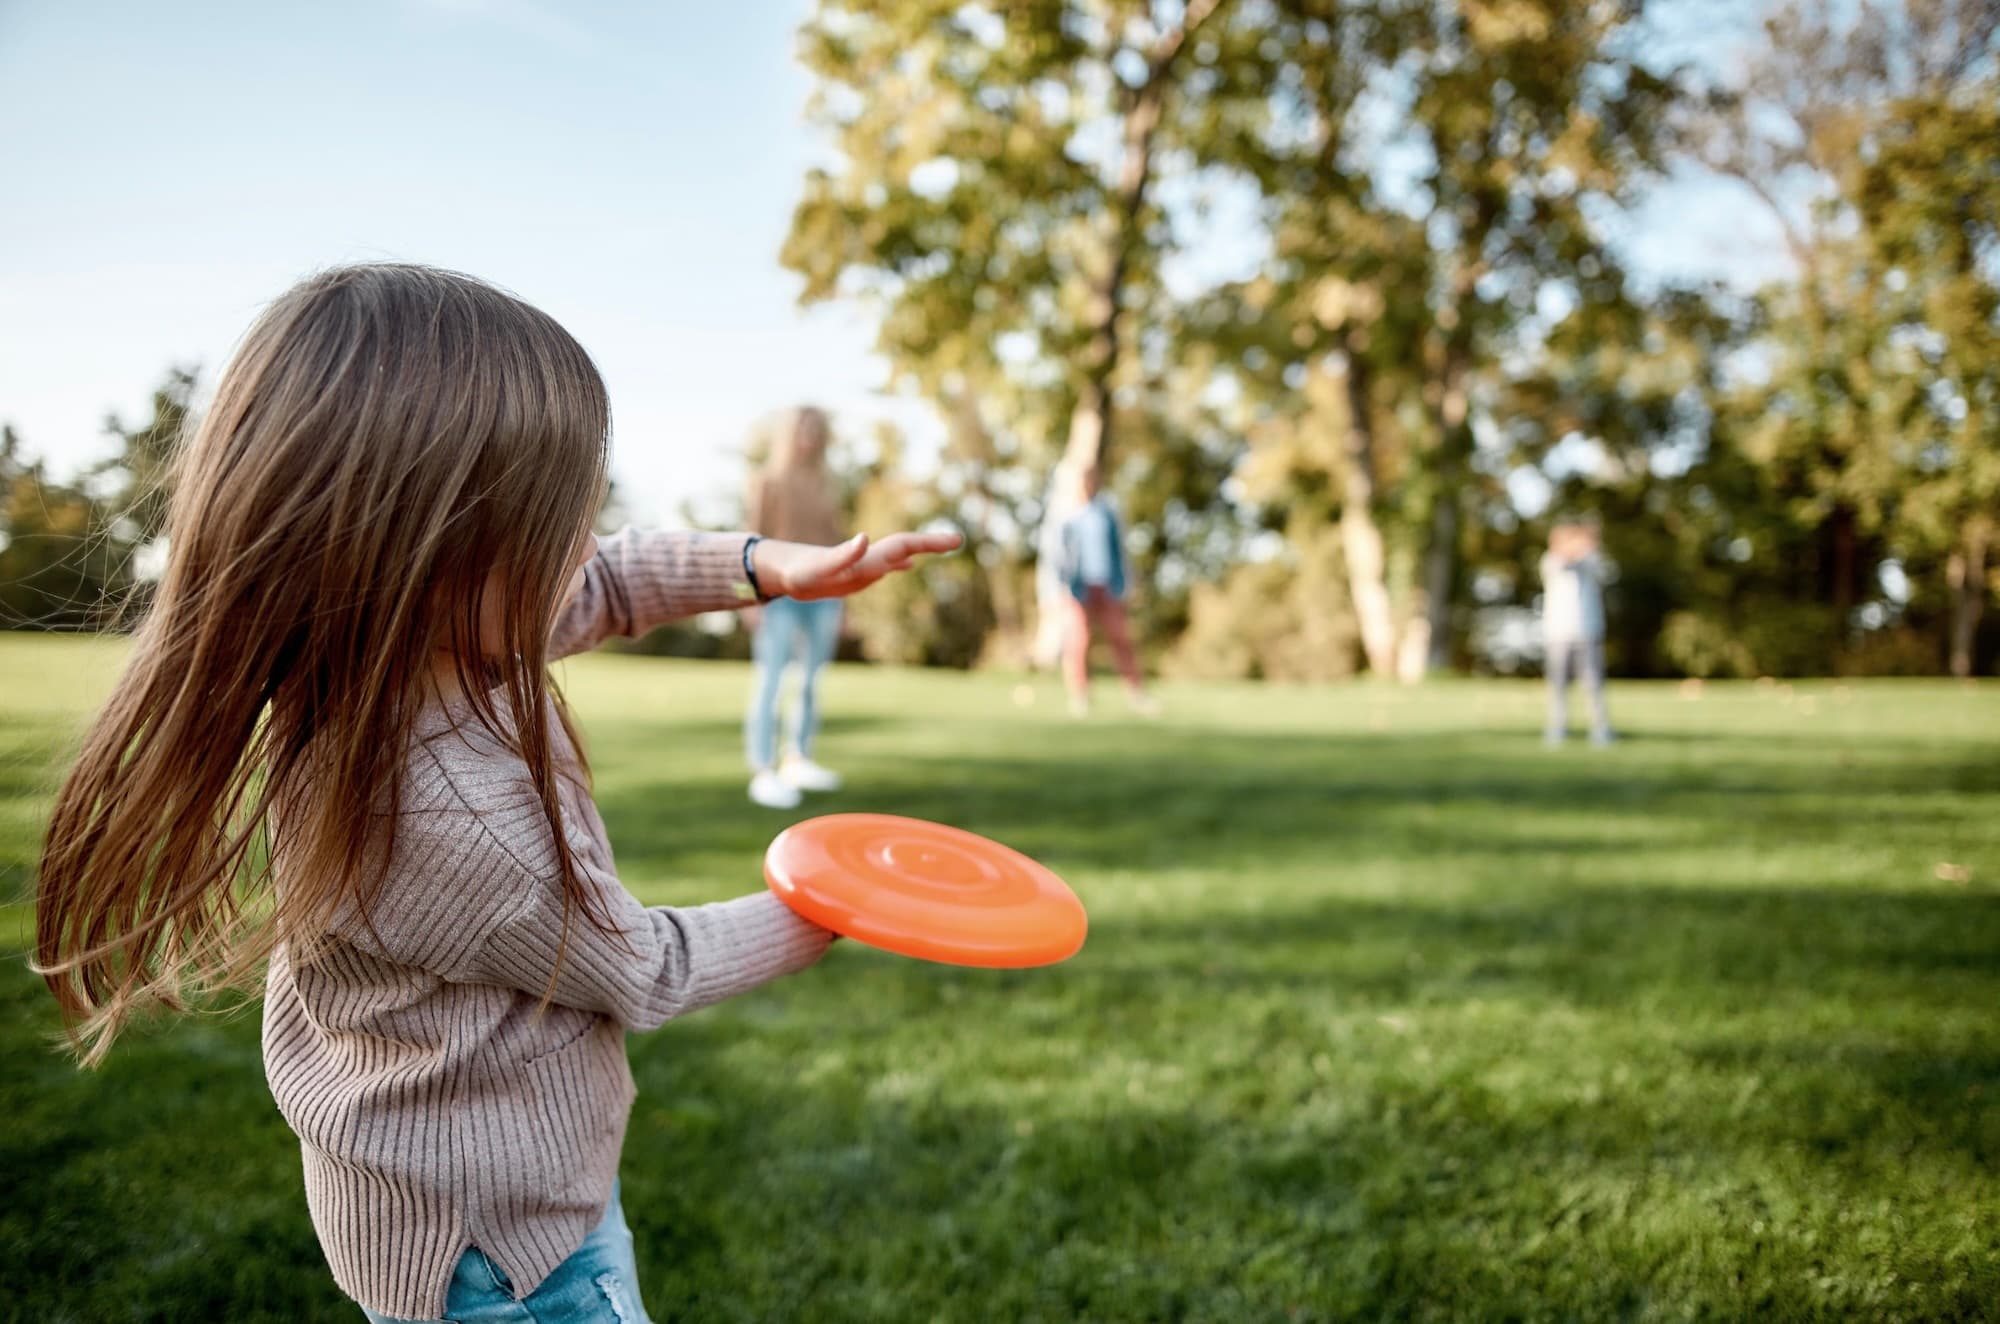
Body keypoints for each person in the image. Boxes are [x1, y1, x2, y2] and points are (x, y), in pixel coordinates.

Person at [31, 264, 959, 1324]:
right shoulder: (449, 819)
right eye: (556, 523)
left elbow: (608, 579)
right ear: (431, 550)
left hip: (430, 1208)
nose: (586, 547)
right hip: (508, 1256)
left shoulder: (388, 646)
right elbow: (647, 968)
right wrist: (837, 902)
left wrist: (766, 564)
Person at [743, 407, 848, 810]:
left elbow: (837, 544)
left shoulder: (826, 484)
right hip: (778, 593)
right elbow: (749, 541)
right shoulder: (766, 481)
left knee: (809, 681)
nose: (809, 436)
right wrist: (749, 598)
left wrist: (845, 602)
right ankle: (763, 769)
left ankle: (798, 758)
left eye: (816, 429)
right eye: (802, 428)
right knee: (770, 680)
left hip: (824, 594)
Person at [1052, 459, 1156, 718]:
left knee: (1121, 639)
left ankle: (1135, 693)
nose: (1087, 485)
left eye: (1091, 480)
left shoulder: (1108, 512)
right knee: (1079, 642)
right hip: (1079, 588)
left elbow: (1120, 550)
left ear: (1096, 482)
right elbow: (1059, 556)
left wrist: (1126, 582)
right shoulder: (1067, 515)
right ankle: (1080, 696)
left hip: (1108, 585)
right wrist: (1060, 586)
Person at [1540, 519, 1614, 746]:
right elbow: (1563, 564)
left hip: (1588, 630)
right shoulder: (1551, 560)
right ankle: (1557, 728)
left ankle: (1600, 729)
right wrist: (1572, 550)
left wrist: (1588, 547)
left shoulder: (1593, 561)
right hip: (1558, 631)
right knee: (1558, 685)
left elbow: (1606, 572)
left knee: (1593, 684)